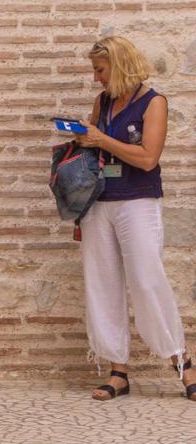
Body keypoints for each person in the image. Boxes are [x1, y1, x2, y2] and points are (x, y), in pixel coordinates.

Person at [77, 35, 194, 402]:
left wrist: (100, 139)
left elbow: (147, 159)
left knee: (146, 281)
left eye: (100, 69)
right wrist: (82, 139)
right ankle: (118, 372)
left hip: (138, 202)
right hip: (99, 202)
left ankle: (182, 363)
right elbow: (97, 152)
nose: (96, 78)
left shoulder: (153, 101)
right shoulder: (103, 102)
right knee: (103, 283)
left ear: (119, 65)